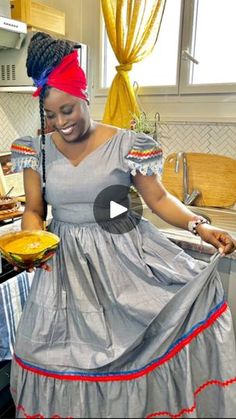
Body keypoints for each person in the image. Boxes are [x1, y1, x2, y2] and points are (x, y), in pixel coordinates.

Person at [10, 31, 236, 419]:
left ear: (85, 96)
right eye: (51, 114)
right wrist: (31, 240)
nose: (61, 122)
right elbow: (34, 209)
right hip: (64, 269)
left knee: (135, 354)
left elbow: (160, 200)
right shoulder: (36, 150)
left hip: (125, 261)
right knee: (51, 356)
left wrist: (199, 225)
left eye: (68, 110)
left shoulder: (128, 143)